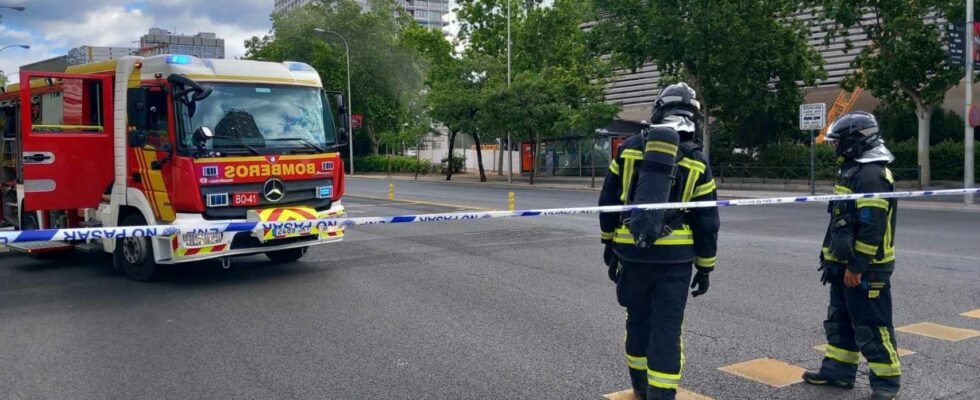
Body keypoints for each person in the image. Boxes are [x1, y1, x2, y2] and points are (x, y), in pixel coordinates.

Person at [598, 83, 719, 400]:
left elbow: (608, 202)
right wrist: (705, 267)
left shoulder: (628, 149)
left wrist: (609, 245)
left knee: (637, 319)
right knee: (667, 328)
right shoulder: (697, 161)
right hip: (675, 263)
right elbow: (707, 222)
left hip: (632, 255)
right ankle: (661, 394)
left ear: (658, 110)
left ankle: (639, 385)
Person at [803, 111, 900, 400]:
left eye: (838, 142)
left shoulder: (871, 175)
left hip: (868, 267)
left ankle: (886, 382)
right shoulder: (855, 169)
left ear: (857, 141)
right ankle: (838, 371)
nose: (835, 147)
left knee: (872, 324)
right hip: (845, 264)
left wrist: (857, 267)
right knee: (840, 319)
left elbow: (871, 228)